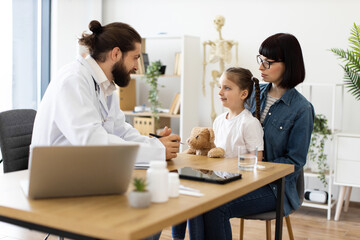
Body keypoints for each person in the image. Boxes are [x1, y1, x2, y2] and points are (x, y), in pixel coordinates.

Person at [187, 33, 314, 240]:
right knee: (197, 199)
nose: (261, 67)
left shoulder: (302, 109)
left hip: (273, 189)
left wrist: (255, 167)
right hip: (237, 176)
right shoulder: (253, 92)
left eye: (268, 62)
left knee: (215, 207)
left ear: (288, 64)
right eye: (260, 60)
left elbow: (295, 161)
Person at [31, 20, 181, 163]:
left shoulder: (105, 86)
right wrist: (156, 151)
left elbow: (121, 132)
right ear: (115, 54)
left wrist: (155, 144)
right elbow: (93, 143)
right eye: (135, 58)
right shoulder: (73, 80)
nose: (136, 66)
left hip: (84, 169)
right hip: (58, 177)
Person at [171, 67, 264, 240]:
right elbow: (211, 150)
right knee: (188, 194)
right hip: (217, 179)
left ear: (243, 94)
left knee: (204, 201)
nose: (220, 92)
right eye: (220, 87)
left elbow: (256, 161)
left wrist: (223, 164)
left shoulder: (249, 123)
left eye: (227, 88)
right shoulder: (220, 120)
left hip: (238, 183)